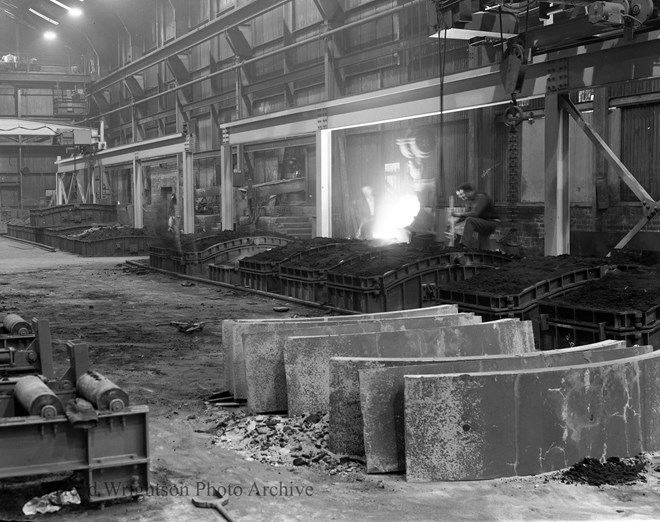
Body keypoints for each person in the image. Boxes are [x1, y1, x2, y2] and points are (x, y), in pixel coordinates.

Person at [451, 182, 500, 250]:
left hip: (491, 223)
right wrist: (452, 224)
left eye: (462, 194)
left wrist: (457, 214)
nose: (461, 196)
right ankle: (485, 257)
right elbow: (465, 216)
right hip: (483, 223)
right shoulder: (469, 201)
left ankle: (463, 245)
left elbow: (474, 214)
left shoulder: (480, 197)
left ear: (470, 191)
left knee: (470, 221)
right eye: (459, 195)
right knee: (483, 246)